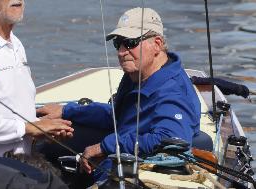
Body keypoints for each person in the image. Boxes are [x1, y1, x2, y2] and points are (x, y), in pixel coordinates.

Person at [37, 7, 201, 182]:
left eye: (130, 43)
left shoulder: (172, 91)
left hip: (135, 163)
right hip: (121, 145)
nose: (122, 52)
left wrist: (106, 147)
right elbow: (117, 116)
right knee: (45, 141)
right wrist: (67, 111)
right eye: (118, 43)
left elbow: (170, 140)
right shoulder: (136, 74)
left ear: (157, 44)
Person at [0, 0, 74, 158]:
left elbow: (14, 104)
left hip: (22, 163)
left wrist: (44, 129)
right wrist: (27, 128)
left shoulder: (17, 44)